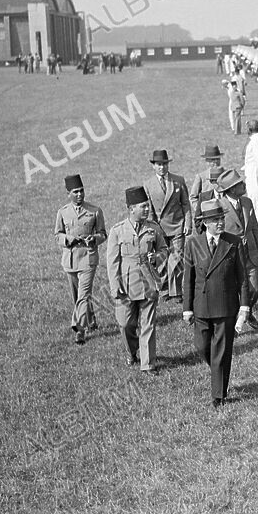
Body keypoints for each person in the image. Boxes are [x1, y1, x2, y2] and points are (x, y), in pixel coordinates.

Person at [182, 198, 252, 407]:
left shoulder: (233, 242)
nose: (220, 222)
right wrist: (187, 309)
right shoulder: (193, 243)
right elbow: (188, 278)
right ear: (205, 223)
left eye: (221, 218)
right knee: (202, 346)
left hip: (225, 305)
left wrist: (244, 307)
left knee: (221, 350)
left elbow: (243, 278)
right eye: (215, 219)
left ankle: (218, 395)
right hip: (201, 305)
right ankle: (218, 373)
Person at [106, 186, 168, 374]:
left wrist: (156, 258)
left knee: (148, 324)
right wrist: (115, 286)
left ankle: (148, 364)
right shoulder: (117, 230)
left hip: (149, 282)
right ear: (131, 208)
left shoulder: (153, 228)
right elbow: (112, 261)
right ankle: (132, 352)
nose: (148, 209)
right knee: (126, 324)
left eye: (148, 206)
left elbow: (165, 250)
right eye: (143, 206)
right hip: (126, 284)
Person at [54, 175, 107, 345]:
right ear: (68, 193)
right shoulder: (62, 212)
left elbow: (103, 233)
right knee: (77, 296)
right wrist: (67, 239)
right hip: (70, 260)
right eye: (75, 192)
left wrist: (94, 239)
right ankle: (91, 320)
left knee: (83, 295)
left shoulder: (95, 210)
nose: (79, 194)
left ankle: (79, 329)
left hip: (88, 259)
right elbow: (58, 235)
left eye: (81, 191)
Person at [209, 169, 258, 332]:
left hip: (250, 253)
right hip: (231, 255)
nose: (244, 185)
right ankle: (238, 319)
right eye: (240, 183)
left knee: (255, 289)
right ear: (232, 189)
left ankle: (246, 310)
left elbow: (254, 227)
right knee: (233, 290)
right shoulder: (220, 206)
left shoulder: (247, 202)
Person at [144, 149, 192, 301]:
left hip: (177, 225)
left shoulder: (178, 180)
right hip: (159, 228)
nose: (162, 167)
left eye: (164, 164)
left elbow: (186, 203)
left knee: (177, 258)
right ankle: (165, 290)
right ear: (153, 166)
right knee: (162, 259)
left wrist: (188, 222)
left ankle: (176, 292)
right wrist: (152, 229)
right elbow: (149, 209)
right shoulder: (148, 184)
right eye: (159, 164)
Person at [189, 144, 222, 224]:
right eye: (212, 160)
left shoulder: (226, 174)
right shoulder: (201, 177)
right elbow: (193, 197)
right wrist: (202, 209)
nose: (215, 162)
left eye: (217, 159)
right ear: (207, 161)